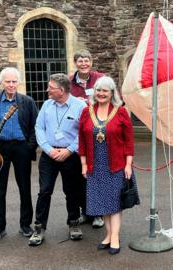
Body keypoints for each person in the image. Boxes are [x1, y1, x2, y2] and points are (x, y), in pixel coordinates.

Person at [0, 67, 38, 240]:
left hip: (21, 148)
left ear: (18, 82)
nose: (11, 85)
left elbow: (36, 127)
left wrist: (29, 147)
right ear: (1, 82)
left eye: (14, 81)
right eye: (7, 81)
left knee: (24, 187)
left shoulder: (27, 101)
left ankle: (26, 225)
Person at [78, 76, 136, 255]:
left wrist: (128, 164)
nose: (101, 94)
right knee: (102, 202)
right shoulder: (87, 112)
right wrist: (84, 164)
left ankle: (115, 237)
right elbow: (82, 140)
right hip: (95, 166)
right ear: (94, 92)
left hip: (116, 165)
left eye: (105, 90)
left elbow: (129, 141)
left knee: (115, 203)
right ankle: (108, 235)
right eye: (98, 90)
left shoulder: (120, 112)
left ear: (112, 93)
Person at [28, 73, 87, 246]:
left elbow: (83, 132)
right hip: (49, 155)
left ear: (61, 90)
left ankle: (74, 223)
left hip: (70, 156)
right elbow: (39, 127)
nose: (47, 90)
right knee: (44, 190)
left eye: (51, 88)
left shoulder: (80, 106)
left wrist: (69, 150)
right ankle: (39, 228)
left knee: (72, 191)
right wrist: (48, 149)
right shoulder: (47, 105)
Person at [69, 49, 105, 228]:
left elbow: (111, 96)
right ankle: (85, 211)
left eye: (86, 60)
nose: (84, 64)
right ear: (75, 63)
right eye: (80, 61)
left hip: (97, 130)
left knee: (95, 174)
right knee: (80, 175)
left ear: (91, 62)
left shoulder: (100, 78)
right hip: (77, 131)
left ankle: (98, 213)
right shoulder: (69, 81)